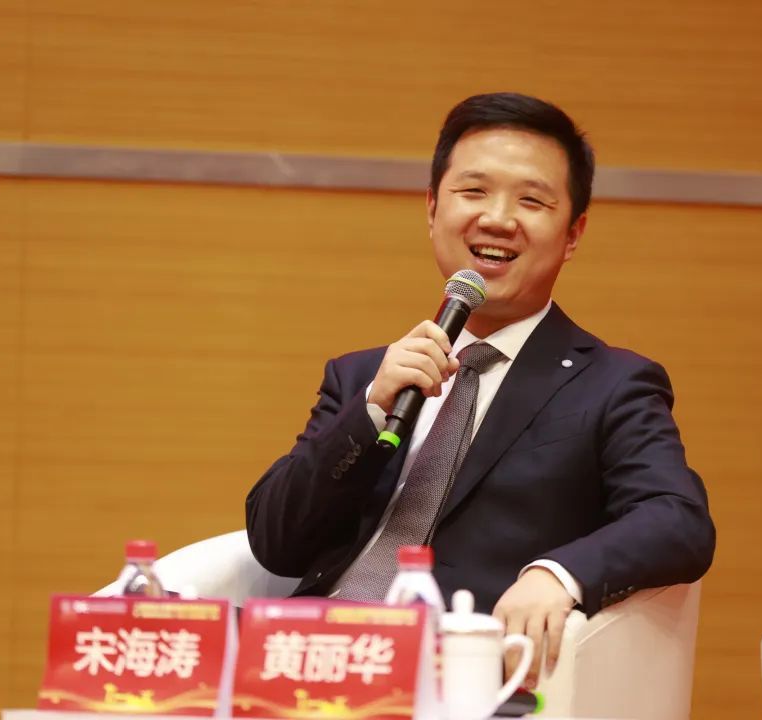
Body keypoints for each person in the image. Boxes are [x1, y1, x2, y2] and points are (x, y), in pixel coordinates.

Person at [246, 92, 715, 688]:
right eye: (473, 191)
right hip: (314, 660)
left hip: (457, 675)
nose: (496, 218)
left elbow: (677, 519)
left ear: (573, 233)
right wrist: (369, 412)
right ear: (432, 209)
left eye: (531, 200)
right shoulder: (363, 375)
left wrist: (557, 574)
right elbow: (277, 543)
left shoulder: (612, 384)